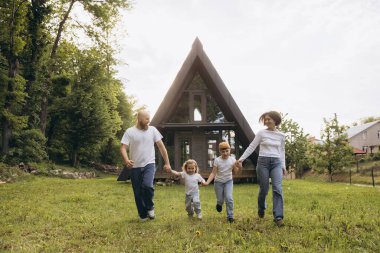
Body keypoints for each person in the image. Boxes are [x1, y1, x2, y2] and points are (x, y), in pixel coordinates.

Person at [236, 111, 286, 226]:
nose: (267, 121)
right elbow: (252, 146)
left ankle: (278, 217)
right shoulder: (261, 133)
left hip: (276, 163)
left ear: (275, 120)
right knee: (264, 188)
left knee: (277, 188)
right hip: (263, 162)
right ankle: (261, 207)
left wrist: (283, 165)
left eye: (269, 119)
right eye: (265, 119)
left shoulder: (281, 136)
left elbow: (282, 151)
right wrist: (241, 159)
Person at [120, 110, 172, 222]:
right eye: (146, 119)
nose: (149, 121)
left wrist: (167, 163)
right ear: (139, 119)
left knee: (147, 186)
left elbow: (162, 147)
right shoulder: (130, 132)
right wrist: (126, 160)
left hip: (149, 163)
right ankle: (142, 215)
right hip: (135, 167)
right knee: (138, 192)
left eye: (149, 118)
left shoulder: (153, 130)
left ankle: (150, 207)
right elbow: (123, 147)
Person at [204, 141, 240, 223]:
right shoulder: (217, 160)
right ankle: (219, 204)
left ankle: (230, 217)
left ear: (230, 150)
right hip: (218, 182)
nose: (225, 153)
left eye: (227, 151)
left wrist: (239, 167)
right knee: (220, 199)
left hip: (228, 181)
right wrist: (207, 182)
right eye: (223, 151)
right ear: (220, 151)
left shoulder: (232, 160)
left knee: (229, 198)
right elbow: (213, 173)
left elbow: (236, 172)